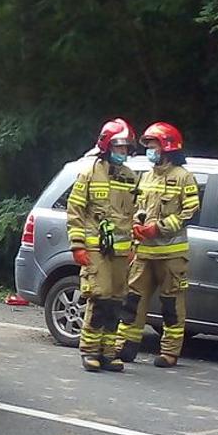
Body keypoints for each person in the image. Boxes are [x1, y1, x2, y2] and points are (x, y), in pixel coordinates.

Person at [122, 122, 200, 367]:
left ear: (167, 147)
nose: (149, 151)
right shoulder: (145, 177)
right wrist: (137, 224)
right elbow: (137, 207)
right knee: (133, 301)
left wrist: (159, 228)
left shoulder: (184, 177)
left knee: (171, 305)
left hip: (171, 256)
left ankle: (169, 352)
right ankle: (125, 346)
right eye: (148, 146)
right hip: (144, 253)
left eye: (153, 146)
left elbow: (190, 212)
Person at [66, 118, 139, 372]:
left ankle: (108, 353)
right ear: (107, 146)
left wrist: (132, 245)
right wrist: (78, 245)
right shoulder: (89, 173)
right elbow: (75, 210)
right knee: (99, 298)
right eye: (119, 147)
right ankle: (90, 351)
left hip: (121, 252)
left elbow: (134, 213)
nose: (123, 152)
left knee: (116, 301)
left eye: (126, 147)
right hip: (95, 249)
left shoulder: (130, 177)